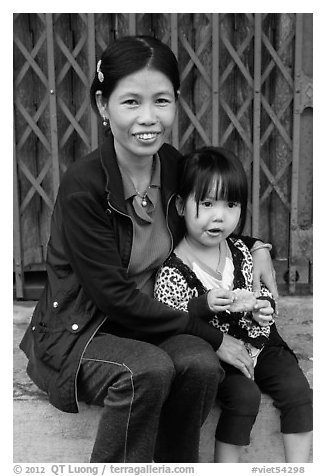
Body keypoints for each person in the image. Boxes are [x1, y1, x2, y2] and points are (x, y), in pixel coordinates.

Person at [20, 36, 278, 463]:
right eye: (130, 103)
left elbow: (207, 221)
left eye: (161, 101)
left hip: (151, 322)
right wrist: (214, 336)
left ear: (175, 102)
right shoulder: (85, 186)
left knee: (198, 366)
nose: (148, 118)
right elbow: (113, 298)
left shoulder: (174, 166)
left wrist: (257, 246)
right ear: (103, 106)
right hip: (84, 331)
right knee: (148, 370)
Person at [154, 146, 313, 463]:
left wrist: (263, 308)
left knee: (298, 392)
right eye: (208, 203)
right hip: (220, 353)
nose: (220, 216)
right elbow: (170, 318)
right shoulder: (173, 269)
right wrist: (202, 304)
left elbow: (263, 295)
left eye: (231, 204)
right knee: (244, 398)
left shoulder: (242, 250)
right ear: (181, 206)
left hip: (261, 343)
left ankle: (298, 467)